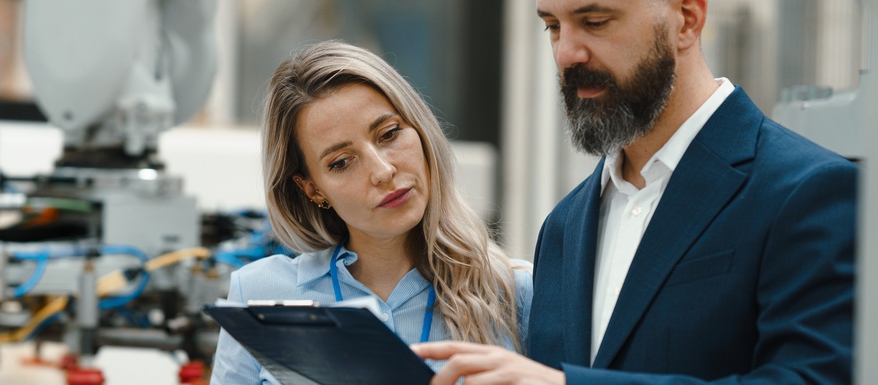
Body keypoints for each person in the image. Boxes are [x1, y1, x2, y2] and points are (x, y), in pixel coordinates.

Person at [411, 0, 857, 384]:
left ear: (686, 19)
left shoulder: (811, 190)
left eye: (596, 21)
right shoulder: (563, 227)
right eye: (552, 26)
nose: (566, 53)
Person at [209, 40, 534, 384]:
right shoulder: (259, 293)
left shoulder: (514, 293)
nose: (382, 171)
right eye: (341, 162)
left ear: (420, 130)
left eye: (389, 133)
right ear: (313, 189)